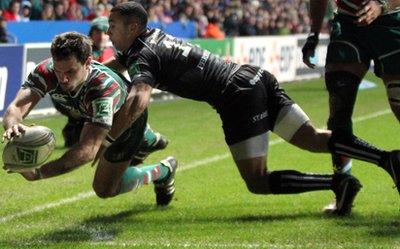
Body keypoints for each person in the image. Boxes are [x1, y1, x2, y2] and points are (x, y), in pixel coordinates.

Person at [104, 2, 400, 215]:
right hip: (254, 77)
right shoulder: (152, 37)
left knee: (257, 180)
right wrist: (94, 68)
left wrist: (107, 138)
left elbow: (139, 96)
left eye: (112, 26)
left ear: (133, 28)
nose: (107, 32)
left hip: (236, 96)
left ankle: (339, 182)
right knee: (311, 137)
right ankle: (387, 159)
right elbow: (126, 61)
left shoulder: (142, 54)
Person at [2, 32, 177, 206]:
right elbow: (16, 107)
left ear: (88, 63)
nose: (63, 78)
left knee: (104, 189)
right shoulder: (46, 72)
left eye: (70, 71)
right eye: (58, 70)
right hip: (90, 114)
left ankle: (163, 171)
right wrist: (13, 126)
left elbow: (88, 149)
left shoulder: (102, 89)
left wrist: (40, 172)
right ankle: (148, 139)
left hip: (125, 122)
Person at [302, 0, 400, 211]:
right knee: (338, 111)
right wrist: (313, 34)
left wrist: (381, 5)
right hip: (348, 27)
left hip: (391, 23)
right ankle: (344, 186)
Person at [52, 15, 168, 167]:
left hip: (97, 99)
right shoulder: (80, 53)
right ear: (91, 34)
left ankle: (147, 137)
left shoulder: (110, 52)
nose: (101, 36)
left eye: (104, 32)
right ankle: (147, 139)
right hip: (79, 100)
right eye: (97, 32)